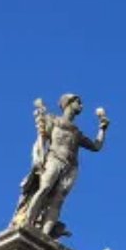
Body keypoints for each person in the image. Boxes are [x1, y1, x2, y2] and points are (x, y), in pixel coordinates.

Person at [11, 94, 110, 240]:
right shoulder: (53, 120)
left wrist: (102, 129)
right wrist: (38, 157)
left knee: (58, 199)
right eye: (78, 102)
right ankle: (27, 223)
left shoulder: (76, 132)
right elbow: (42, 138)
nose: (81, 106)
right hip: (54, 159)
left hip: (71, 166)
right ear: (68, 103)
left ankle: (45, 235)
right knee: (44, 188)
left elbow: (96, 146)